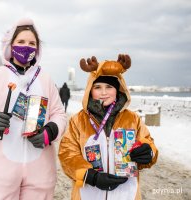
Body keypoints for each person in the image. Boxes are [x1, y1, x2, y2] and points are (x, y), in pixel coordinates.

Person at [0, 18, 67, 199]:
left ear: (38, 49)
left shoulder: (44, 78)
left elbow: (59, 114)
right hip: (1, 174)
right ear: (11, 45)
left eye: (32, 43)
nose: (26, 47)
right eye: (21, 42)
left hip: (40, 173)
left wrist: (50, 131)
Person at [58, 55, 158, 200]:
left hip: (126, 193)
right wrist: (91, 176)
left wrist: (148, 152)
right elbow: (67, 153)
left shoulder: (132, 119)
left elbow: (149, 144)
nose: (103, 92)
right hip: (88, 193)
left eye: (109, 87)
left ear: (118, 90)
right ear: (90, 91)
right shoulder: (78, 120)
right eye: (97, 87)